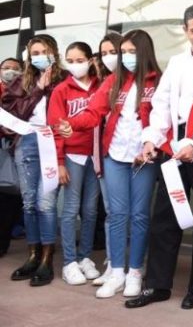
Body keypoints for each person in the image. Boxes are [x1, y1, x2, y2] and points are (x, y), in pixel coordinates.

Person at [125, 5, 193, 310]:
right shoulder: (176, 62)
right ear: (185, 31)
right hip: (173, 149)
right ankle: (158, 285)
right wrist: (151, 139)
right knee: (164, 217)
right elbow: (161, 103)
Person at [58, 29, 162, 299]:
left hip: (143, 159)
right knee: (117, 214)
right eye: (122, 52)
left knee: (139, 216)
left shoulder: (158, 81)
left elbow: (165, 120)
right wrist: (72, 124)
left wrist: (153, 146)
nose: (125, 57)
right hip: (114, 155)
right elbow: (94, 112)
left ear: (144, 52)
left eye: (131, 52)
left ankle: (135, 271)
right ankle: (116, 271)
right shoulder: (114, 81)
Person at [3, 34, 67, 286]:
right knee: (29, 203)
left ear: (54, 51)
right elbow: (14, 112)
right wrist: (39, 88)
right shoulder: (23, 80)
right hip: (27, 142)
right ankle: (33, 254)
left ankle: (47, 258)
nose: (39, 57)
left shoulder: (64, 79)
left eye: (44, 51)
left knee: (45, 202)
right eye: (35, 53)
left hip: (53, 141)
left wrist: (50, 86)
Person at [47, 42, 102, 285]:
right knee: (70, 210)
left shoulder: (101, 86)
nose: (75, 64)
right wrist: (59, 162)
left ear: (90, 60)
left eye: (80, 59)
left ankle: (84, 257)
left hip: (96, 156)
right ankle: (69, 262)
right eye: (70, 60)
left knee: (90, 211)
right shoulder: (61, 89)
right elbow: (56, 128)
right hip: (72, 156)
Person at [91, 31, 123, 286]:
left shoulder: (135, 82)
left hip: (130, 157)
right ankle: (114, 263)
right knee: (112, 212)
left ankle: (131, 263)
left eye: (114, 52)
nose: (109, 57)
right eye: (104, 53)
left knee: (130, 213)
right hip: (104, 154)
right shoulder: (102, 82)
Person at [0, 57, 24, 257]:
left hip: (15, 147)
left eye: (15, 69)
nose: (10, 72)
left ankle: (2, 242)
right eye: (6, 68)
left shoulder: (26, 93)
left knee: (10, 195)